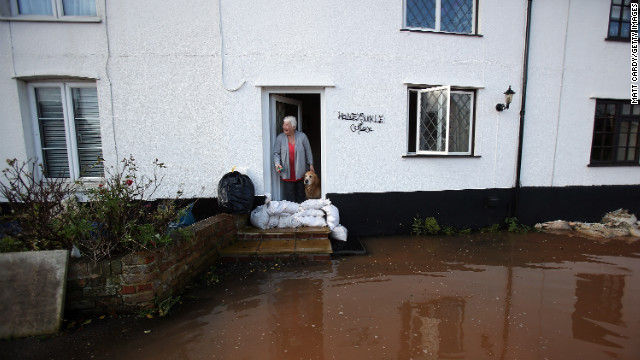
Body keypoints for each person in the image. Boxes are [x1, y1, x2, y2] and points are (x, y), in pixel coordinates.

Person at [273, 116, 314, 203]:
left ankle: (301, 213)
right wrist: (277, 163)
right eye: (284, 124)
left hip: (301, 171)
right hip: (287, 172)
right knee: (290, 197)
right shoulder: (280, 138)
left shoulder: (302, 137)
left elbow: (308, 151)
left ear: (293, 127)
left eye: (287, 125)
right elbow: (276, 153)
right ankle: (292, 215)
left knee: (301, 195)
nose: (284, 126)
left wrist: (310, 164)